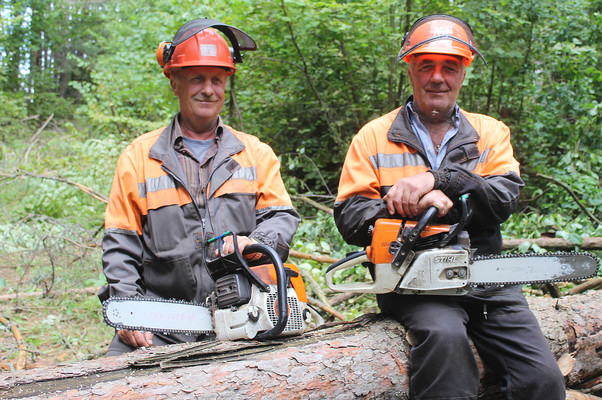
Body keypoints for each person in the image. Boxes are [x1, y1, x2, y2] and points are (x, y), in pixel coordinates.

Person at [334, 14, 566, 400]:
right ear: (411, 69)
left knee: (542, 378)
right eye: (427, 66)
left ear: (463, 71)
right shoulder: (374, 136)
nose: (437, 77)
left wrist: (443, 183)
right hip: (413, 281)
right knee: (445, 345)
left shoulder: (490, 132)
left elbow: (502, 199)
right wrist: (411, 207)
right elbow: (351, 216)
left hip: (487, 278)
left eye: (449, 66)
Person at [99, 19, 300, 356]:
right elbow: (121, 244)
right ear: (174, 81)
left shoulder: (254, 153)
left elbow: (281, 218)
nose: (208, 89)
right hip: (164, 321)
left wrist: (253, 243)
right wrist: (126, 305)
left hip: (245, 312)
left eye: (217, 79)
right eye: (197, 78)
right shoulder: (139, 157)